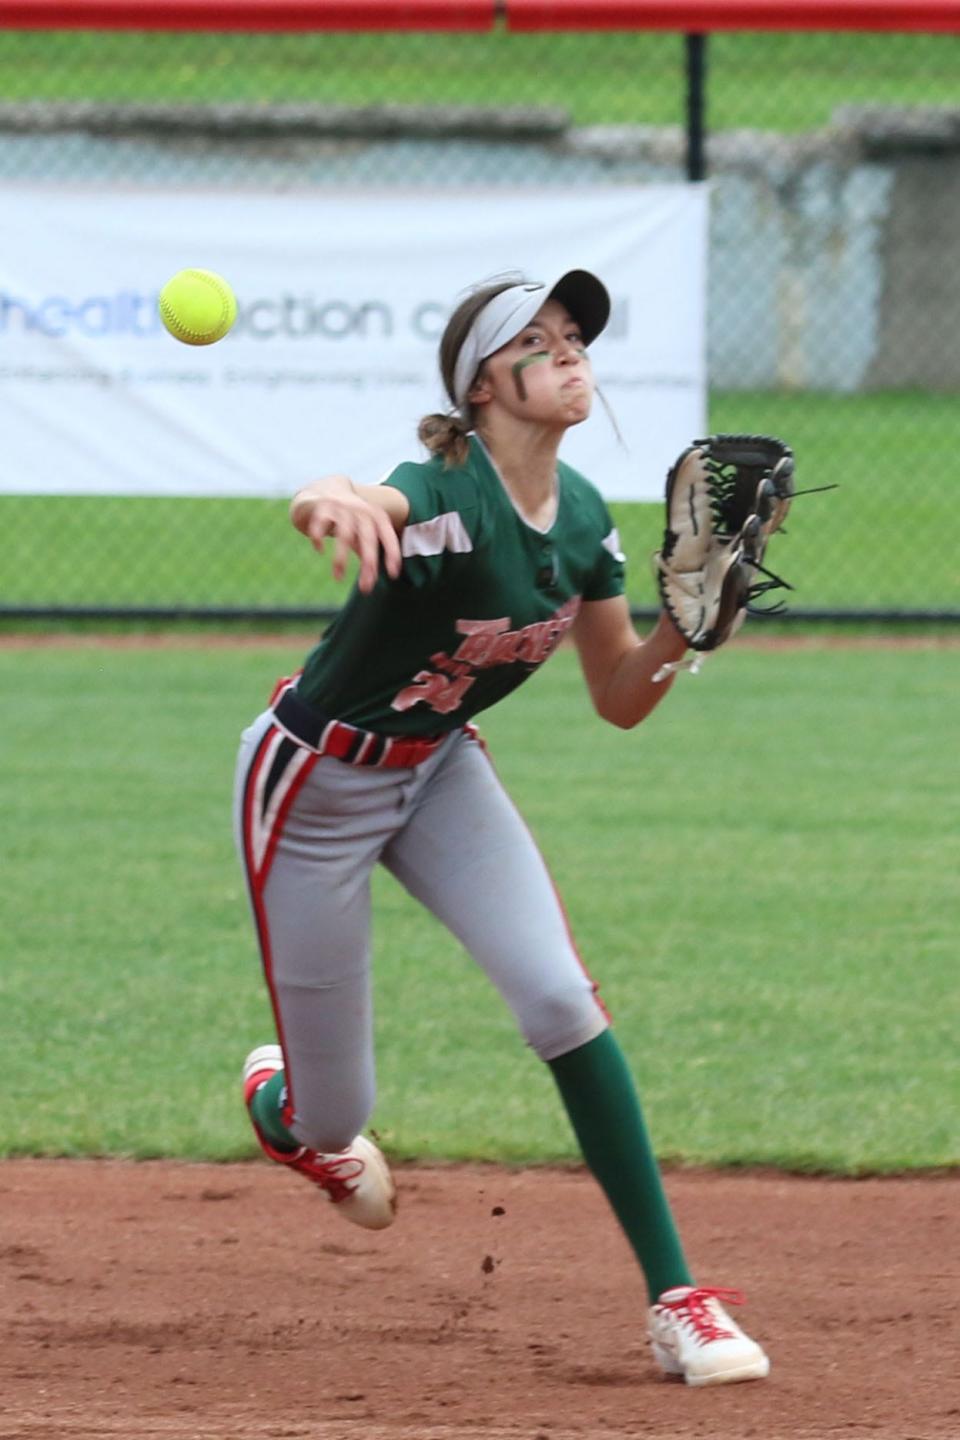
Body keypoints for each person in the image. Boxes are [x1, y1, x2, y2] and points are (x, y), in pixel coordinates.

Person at [234, 269, 770, 1388]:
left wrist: (687, 630)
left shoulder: (581, 525)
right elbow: (356, 497)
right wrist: (322, 499)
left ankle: (680, 1302)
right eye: (540, 340)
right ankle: (282, 1108)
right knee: (341, 1116)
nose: (571, 352)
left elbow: (620, 695)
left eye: (576, 335)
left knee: (562, 999)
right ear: (485, 383)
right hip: (314, 786)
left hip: (438, 776)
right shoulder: (443, 489)